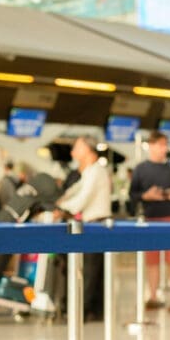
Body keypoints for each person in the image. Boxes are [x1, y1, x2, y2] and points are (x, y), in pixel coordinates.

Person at [130, 131, 170, 312]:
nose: (164, 148)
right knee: (152, 260)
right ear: (151, 145)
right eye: (160, 145)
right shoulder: (141, 169)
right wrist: (146, 195)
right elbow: (133, 194)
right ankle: (153, 295)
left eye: (166, 145)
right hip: (151, 217)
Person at [56, 136, 112, 321]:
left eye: (77, 147)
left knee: (89, 270)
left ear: (88, 149)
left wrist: (61, 208)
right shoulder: (90, 171)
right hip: (93, 223)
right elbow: (74, 191)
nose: (73, 151)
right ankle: (94, 310)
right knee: (93, 270)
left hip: (96, 224)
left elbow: (83, 198)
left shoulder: (96, 171)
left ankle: (81, 311)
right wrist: (60, 201)